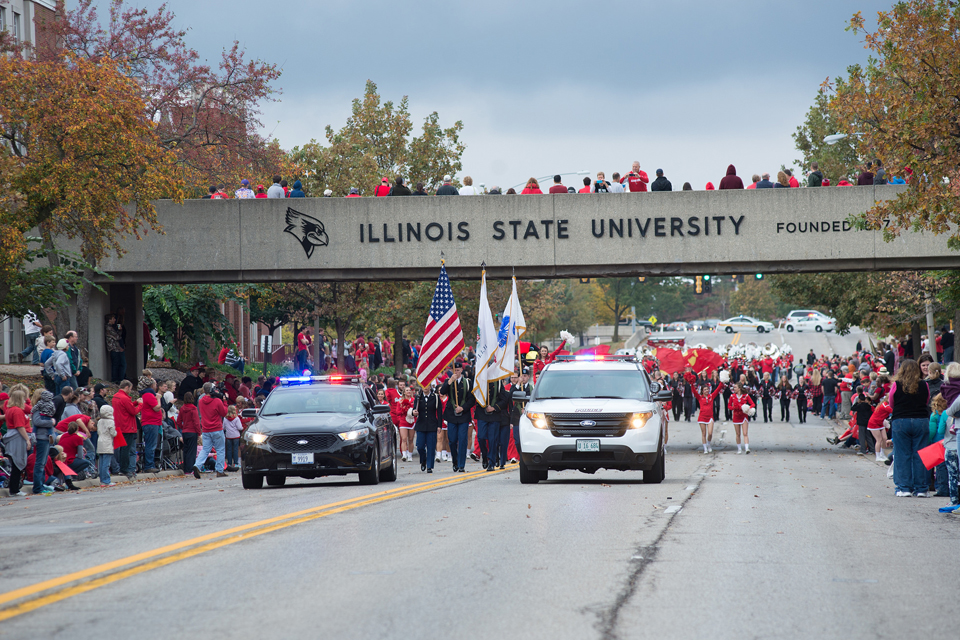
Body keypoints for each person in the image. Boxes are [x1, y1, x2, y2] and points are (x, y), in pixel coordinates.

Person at [888, 359, 931, 497]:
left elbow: (891, 402)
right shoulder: (924, 384)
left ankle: (904, 487)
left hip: (901, 419)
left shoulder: (897, 384)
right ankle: (921, 488)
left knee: (902, 454)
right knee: (920, 454)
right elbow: (926, 400)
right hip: (921, 420)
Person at [439, 361, 475, 472]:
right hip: (451, 415)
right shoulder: (448, 381)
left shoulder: (467, 382)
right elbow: (442, 392)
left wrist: (463, 408)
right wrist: (450, 381)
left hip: (463, 415)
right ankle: (455, 460)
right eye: (455, 370)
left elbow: (472, 400)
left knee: (463, 440)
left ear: (462, 371)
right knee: (452, 440)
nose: (457, 372)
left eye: (458, 370)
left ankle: (461, 465)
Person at [194, 382, 228, 478]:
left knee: (205, 449)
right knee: (220, 449)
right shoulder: (217, 401)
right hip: (217, 428)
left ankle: (197, 465)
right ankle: (220, 470)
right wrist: (225, 402)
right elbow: (224, 413)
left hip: (206, 429)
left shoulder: (200, 401)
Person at [478, 378, 510, 471]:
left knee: (492, 440)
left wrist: (494, 408)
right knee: (481, 437)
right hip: (482, 413)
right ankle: (485, 456)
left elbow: (503, 400)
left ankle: (491, 463)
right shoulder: (479, 379)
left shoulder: (498, 382)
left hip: (494, 415)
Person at [112, 380, 141, 479]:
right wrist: (140, 404)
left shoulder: (116, 396)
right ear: (127, 387)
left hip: (119, 426)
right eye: (130, 388)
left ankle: (121, 468)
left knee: (121, 449)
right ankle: (125, 469)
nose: (130, 391)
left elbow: (127, 407)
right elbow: (133, 411)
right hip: (128, 426)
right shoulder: (125, 398)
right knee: (126, 449)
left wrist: (136, 402)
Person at [413, 383, 443, 472]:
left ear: (430, 386)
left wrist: (439, 425)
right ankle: (423, 460)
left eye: (427, 385)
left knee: (431, 446)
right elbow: (414, 409)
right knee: (420, 446)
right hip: (421, 424)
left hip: (432, 424)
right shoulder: (418, 397)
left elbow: (440, 412)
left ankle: (429, 466)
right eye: (423, 386)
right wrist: (413, 413)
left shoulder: (436, 397)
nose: (425, 388)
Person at [139, 377, 163, 473]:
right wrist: (158, 398)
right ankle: (149, 465)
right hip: (151, 423)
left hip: (153, 422)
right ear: (152, 385)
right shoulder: (149, 395)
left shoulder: (147, 394)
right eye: (156, 385)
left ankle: (150, 464)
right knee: (151, 445)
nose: (156, 386)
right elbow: (157, 408)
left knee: (151, 445)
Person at [693, 380, 723, 452]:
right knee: (703, 433)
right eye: (705, 389)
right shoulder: (700, 397)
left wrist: (722, 381)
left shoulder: (711, 396)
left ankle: (708, 444)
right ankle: (705, 448)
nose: (707, 391)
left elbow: (718, 389)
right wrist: (691, 384)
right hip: (702, 417)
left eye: (707, 389)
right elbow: (694, 392)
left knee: (710, 433)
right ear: (702, 391)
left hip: (710, 417)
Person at [177, 391, 201, 474]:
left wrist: (183, 427)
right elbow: (196, 422)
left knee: (186, 451)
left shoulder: (182, 408)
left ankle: (186, 468)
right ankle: (190, 469)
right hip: (192, 431)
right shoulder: (193, 408)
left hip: (185, 432)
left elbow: (179, 421)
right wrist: (199, 433)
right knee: (192, 451)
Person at [729, 383, 756, 453]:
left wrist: (747, 408)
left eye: (735, 387)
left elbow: (753, 404)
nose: (734, 389)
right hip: (736, 416)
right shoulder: (732, 396)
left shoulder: (746, 396)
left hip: (744, 416)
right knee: (738, 434)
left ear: (739, 388)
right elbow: (729, 406)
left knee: (745, 433)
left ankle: (747, 448)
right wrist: (733, 408)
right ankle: (739, 449)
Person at [95, 405, 117, 486]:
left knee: (101, 462)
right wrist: (116, 433)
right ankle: (106, 480)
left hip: (100, 441)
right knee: (106, 463)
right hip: (107, 442)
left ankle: (101, 479)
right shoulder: (111, 421)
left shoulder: (100, 421)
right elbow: (112, 433)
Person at [104, 314, 126, 383]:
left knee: (120, 364)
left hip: (117, 348)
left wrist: (119, 330)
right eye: (113, 318)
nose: (115, 320)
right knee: (116, 364)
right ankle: (115, 379)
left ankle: (120, 378)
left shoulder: (112, 327)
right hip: (114, 348)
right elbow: (117, 337)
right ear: (109, 320)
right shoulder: (108, 328)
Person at [398, 385, 416, 462]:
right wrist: (403, 410)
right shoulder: (400, 401)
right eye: (407, 390)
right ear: (404, 392)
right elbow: (397, 412)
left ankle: (410, 455)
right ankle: (404, 455)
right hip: (403, 422)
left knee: (411, 439)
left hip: (412, 422)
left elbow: (417, 411)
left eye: (409, 390)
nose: (409, 391)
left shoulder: (414, 400)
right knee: (404, 438)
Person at [223, 404, 243, 472]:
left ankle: (229, 463)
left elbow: (224, 427)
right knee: (235, 449)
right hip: (236, 435)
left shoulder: (225, 418)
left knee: (228, 450)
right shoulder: (236, 418)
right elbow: (239, 427)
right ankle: (236, 463)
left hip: (228, 436)